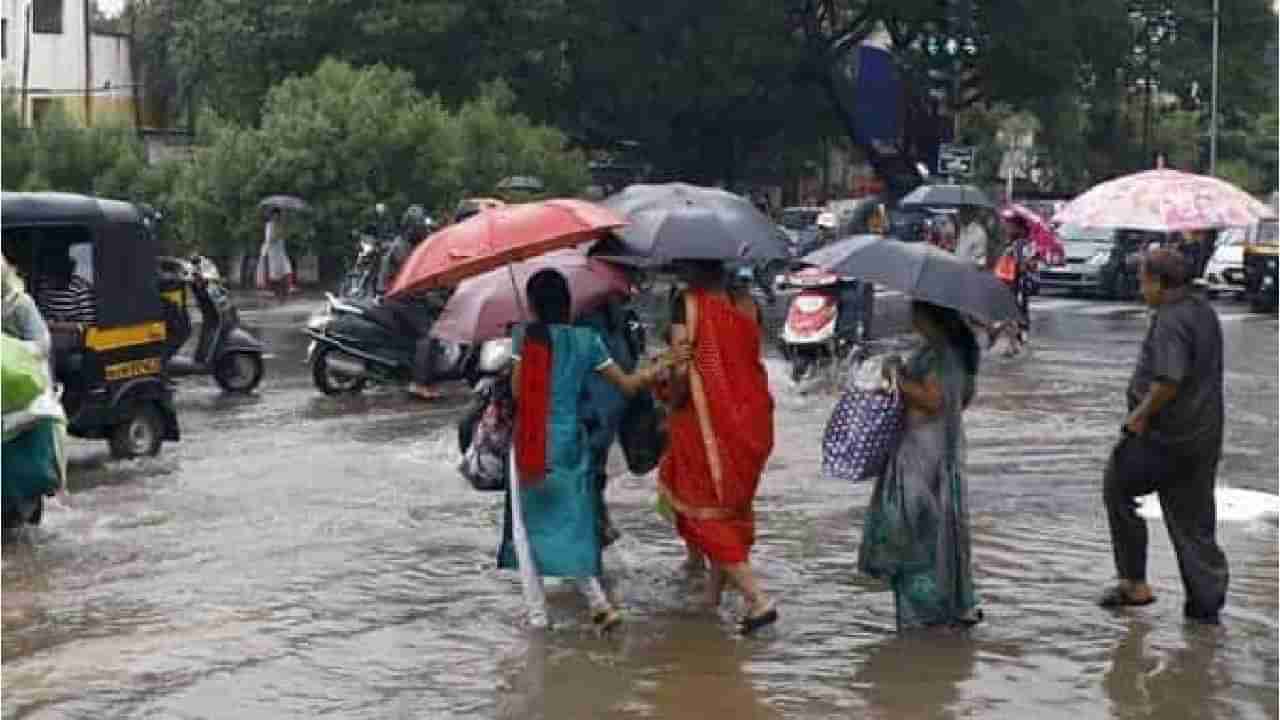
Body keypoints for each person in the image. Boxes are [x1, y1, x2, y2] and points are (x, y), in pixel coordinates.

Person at [500, 269, 674, 631]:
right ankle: (597, 602)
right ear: (567, 303)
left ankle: (538, 617)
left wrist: (526, 347)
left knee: (526, 528)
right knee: (572, 522)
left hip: (532, 439)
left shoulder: (525, 338)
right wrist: (659, 368)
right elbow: (627, 385)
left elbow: (518, 394)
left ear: (532, 304)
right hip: (570, 441)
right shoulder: (587, 339)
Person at [1099, 248, 1228, 624]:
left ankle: (1134, 583)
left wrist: (1139, 416)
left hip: (1164, 438)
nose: (1141, 289)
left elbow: (1168, 380)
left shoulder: (1171, 319)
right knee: (1193, 521)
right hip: (1202, 436)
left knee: (1117, 484)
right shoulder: (1203, 311)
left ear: (1158, 282)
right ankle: (1206, 606)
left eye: (1143, 281)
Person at [659, 260, 777, 635]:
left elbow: (681, 367)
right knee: (730, 506)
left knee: (701, 512)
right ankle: (712, 598)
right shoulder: (746, 303)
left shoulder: (687, 303)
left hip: (704, 419)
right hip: (751, 417)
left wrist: (666, 387)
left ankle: (757, 598)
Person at [859, 300, 982, 631]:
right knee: (937, 530)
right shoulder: (958, 353)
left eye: (916, 311)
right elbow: (961, 399)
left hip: (921, 455)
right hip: (942, 450)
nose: (911, 317)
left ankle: (923, 617)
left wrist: (898, 377)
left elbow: (932, 401)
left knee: (914, 533)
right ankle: (949, 609)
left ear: (930, 316)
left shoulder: (941, 355)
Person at [33, 251, 96, 326]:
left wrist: (67, 325)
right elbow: (41, 315)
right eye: (50, 274)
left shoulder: (81, 289)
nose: (53, 279)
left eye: (58, 274)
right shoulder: (44, 288)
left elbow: (90, 322)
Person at [256, 208, 293, 302]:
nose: (276, 217)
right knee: (275, 274)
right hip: (272, 252)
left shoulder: (280, 225)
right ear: (272, 216)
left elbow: (284, 236)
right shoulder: (269, 225)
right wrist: (278, 234)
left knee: (286, 270)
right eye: (274, 215)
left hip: (280, 251)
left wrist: (283, 231)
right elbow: (270, 239)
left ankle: (285, 292)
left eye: (278, 215)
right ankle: (277, 294)